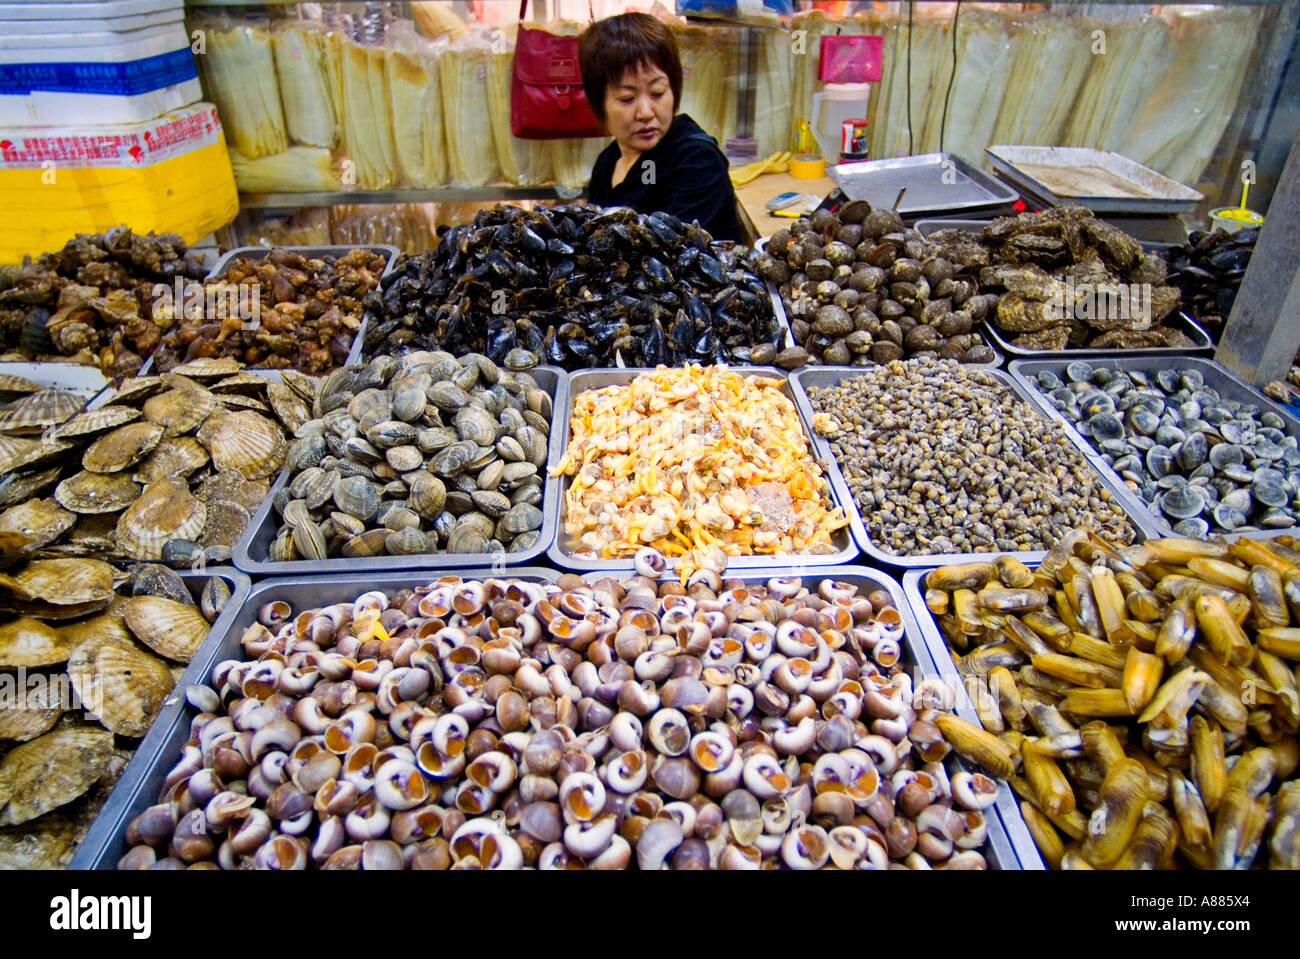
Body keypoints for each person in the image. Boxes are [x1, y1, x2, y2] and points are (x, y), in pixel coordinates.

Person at [579, 12, 743, 242]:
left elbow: (674, 259)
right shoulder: (607, 163)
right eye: (627, 98)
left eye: (657, 93)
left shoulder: (697, 160)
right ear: (599, 103)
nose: (646, 112)